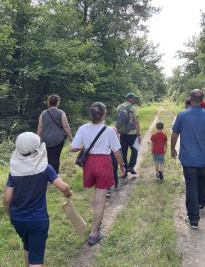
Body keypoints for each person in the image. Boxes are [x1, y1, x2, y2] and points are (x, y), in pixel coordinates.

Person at [3, 132, 72, 267]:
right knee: (36, 259)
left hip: (18, 219)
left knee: (27, 246)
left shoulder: (14, 171)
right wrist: (68, 193)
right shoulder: (45, 169)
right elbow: (63, 187)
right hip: (37, 220)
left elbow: (7, 198)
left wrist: (10, 214)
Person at [70, 102, 126, 245]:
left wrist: (85, 145)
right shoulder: (109, 131)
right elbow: (117, 151)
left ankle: (96, 221)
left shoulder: (83, 128)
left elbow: (73, 148)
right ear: (104, 114)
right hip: (103, 163)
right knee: (100, 198)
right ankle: (94, 233)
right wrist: (122, 166)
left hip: (89, 164)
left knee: (95, 196)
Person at [171, 89, 205, 229]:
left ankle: (193, 219)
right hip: (203, 158)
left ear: (190, 98)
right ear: (202, 100)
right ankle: (201, 201)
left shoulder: (182, 115)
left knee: (191, 186)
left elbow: (174, 134)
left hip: (188, 159)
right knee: (201, 180)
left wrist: (172, 148)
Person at [37, 95, 73, 174]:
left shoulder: (43, 113)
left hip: (45, 139)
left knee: (47, 158)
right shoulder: (61, 113)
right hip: (58, 139)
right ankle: (55, 176)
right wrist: (71, 138)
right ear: (58, 103)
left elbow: (40, 127)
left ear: (49, 103)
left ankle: (46, 174)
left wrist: (37, 139)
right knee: (56, 157)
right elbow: (66, 126)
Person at [116, 93, 141, 175]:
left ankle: (125, 169)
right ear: (130, 98)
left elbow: (117, 121)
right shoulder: (133, 108)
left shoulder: (119, 107)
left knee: (123, 152)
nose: (134, 100)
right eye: (133, 98)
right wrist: (138, 134)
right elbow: (136, 122)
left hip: (122, 134)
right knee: (135, 150)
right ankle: (131, 167)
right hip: (133, 133)